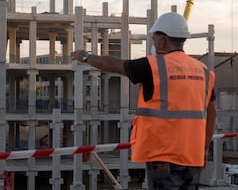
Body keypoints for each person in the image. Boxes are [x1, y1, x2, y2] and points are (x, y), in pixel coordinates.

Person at [71, 12, 216, 189]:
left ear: (162, 41)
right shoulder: (204, 71)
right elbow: (211, 114)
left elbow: (112, 65)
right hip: (193, 155)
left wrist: (85, 57)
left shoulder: (153, 66)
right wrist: (205, 148)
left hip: (164, 155)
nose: (153, 43)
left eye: (154, 38)